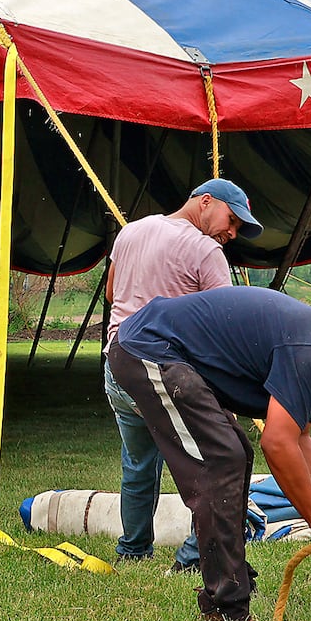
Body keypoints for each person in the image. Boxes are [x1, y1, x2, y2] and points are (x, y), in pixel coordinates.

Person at [107, 287, 311, 621]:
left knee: (234, 454)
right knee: (222, 461)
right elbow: (278, 445)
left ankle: (229, 583)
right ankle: (224, 608)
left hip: (164, 350)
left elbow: (299, 438)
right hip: (147, 349)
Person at [103, 178, 262, 566]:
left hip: (116, 367)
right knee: (211, 462)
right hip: (163, 373)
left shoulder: (131, 231)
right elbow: (224, 325)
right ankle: (193, 557)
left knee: (138, 464)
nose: (232, 232)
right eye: (231, 219)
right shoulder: (205, 250)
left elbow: (111, 294)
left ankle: (134, 550)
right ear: (205, 202)